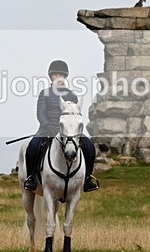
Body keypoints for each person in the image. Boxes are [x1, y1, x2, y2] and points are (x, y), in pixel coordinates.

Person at [24, 60, 99, 193]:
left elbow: (76, 115)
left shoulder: (72, 95)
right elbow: (40, 113)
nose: (58, 77)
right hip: (47, 130)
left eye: (61, 75)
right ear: (51, 77)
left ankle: (88, 178)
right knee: (32, 147)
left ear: (65, 77)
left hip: (70, 131)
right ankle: (31, 178)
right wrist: (48, 126)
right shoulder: (44, 93)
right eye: (55, 75)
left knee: (89, 146)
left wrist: (74, 129)